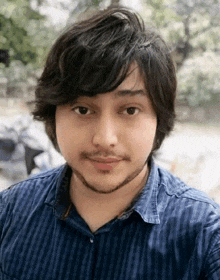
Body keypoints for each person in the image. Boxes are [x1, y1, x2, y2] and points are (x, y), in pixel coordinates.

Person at [0, 6, 219, 280]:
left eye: (129, 110)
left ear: (158, 118)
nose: (105, 139)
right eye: (82, 109)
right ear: (52, 115)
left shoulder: (205, 235)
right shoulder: (9, 213)